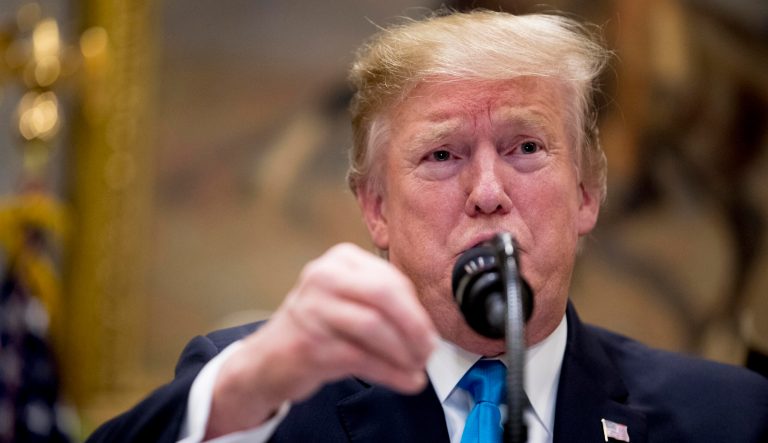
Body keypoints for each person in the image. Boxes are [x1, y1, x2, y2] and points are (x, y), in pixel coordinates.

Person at [87, 9, 768, 443]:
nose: (488, 193)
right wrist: (248, 386)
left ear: (588, 192)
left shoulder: (730, 416)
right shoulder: (262, 395)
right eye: (442, 155)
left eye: (526, 147)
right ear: (376, 207)